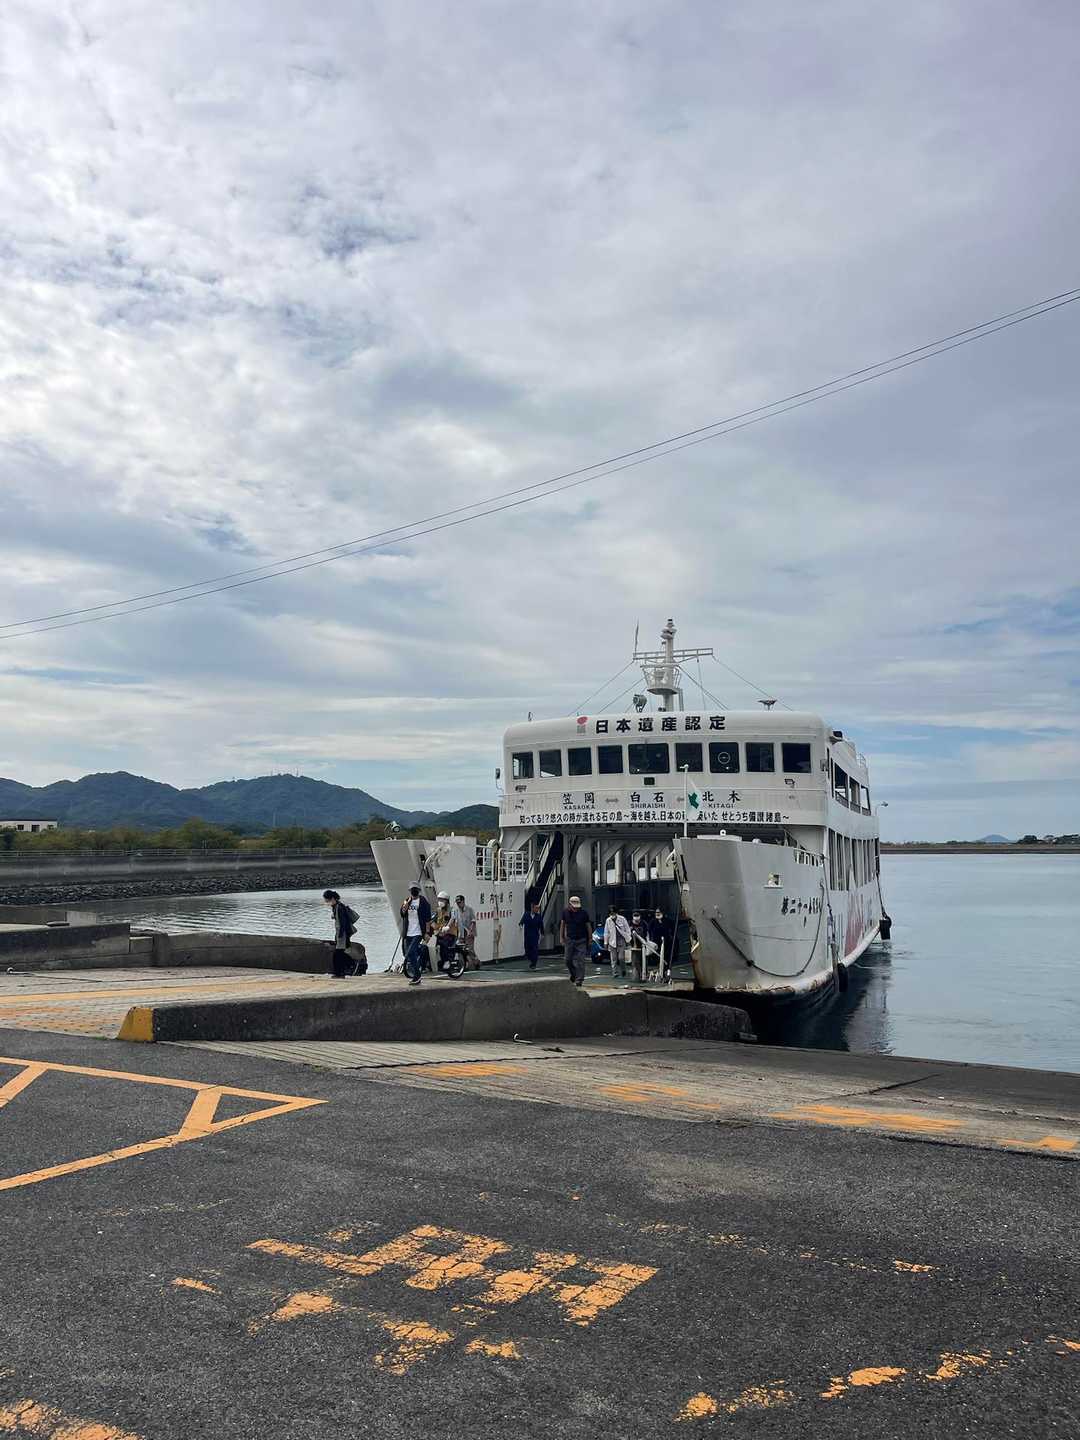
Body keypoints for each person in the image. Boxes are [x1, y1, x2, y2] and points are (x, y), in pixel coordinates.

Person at [322, 889, 367, 978]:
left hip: (342, 935)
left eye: (327, 900)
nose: (326, 902)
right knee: (340, 954)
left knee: (337, 955)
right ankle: (343, 971)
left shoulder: (339, 908)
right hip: (342, 934)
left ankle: (341, 972)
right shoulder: (337, 906)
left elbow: (342, 923)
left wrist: (340, 935)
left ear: (332, 898)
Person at [399, 884, 432, 986]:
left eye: (415, 889)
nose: (413, 891)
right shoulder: (407, 901)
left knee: (410, 952)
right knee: (409, 954)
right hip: (408, 932)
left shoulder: (423, 902)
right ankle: (420, 965)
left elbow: (428, 919)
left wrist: (427, 933)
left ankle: (417, 975)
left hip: (418, 932)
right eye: (412, 890)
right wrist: (404, 908)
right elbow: (402, 914)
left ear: (418, 890)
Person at [560, 895, 592, 987]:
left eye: (577, 907)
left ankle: (579, 979)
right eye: (574, 907)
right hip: (569, 939)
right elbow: (562, 925)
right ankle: (574, 974)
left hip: (581, 940)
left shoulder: (584, 913)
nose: (575, 909)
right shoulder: (565, 912)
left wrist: (590, 938)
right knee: (567, 960)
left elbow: (588, 926)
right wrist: (561, 937)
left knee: (580, 960)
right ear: (570, 905)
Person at [432, 892, 458, 973]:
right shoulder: (438, 910)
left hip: (450, 933)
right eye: (439, 900)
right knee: (428, 943)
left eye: (442, 900)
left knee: (443, 943)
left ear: (447, 901)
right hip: (440, 933)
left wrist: (448, 926)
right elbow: (433, 919)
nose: (440, 902)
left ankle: (447, 961)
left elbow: (453, 918)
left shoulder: (452, 910)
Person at [604, 905, 632, 978]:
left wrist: (628, 939)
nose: (612, 914)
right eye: (611, 913)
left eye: (613, 913)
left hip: (621, 940)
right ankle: (615, 973)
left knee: (621, 958)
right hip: (612, 941)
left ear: (616, 912)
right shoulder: (608, 920)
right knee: (613, 959)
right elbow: (606, 932)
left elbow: (627, 929)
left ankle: (623, 970)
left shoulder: (622, 919)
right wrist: (605, 942)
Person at [649, 907, 675, 982]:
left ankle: (665, 972)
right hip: (656, 942)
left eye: (659, 912)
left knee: (666, 957)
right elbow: (649, 930)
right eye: (656, 913)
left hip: (666, 942)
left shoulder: (667, 921)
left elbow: (672, 928)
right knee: (657, 957)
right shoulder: (653, 921)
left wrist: (671, 936)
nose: (657, 914)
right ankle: (659, 972)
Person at [452, 894, 477, 968]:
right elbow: (454, 921)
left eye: (459, 902)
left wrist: (470, 930)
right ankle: (463, 966)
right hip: (461, 933)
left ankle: (476, 962)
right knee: (460, 949)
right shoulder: (455, 911)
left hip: (469, 932)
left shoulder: (469, 909)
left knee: (470, 950)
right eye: (457, 903)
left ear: (463, 901)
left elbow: (473, 921)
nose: (458, 904)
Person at [518, 899, 544, 969]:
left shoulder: (538, 916)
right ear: (532, 908)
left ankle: (533, 963)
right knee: (527, 949)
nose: (537, 910)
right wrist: (521, 925)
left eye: (538, 908)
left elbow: (541, 926)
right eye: (536, 908)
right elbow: (521, 922)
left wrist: (542, 933)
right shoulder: (526, 915)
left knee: (535, 949)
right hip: (527, 935)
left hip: (535, 935)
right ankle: (530, 958)